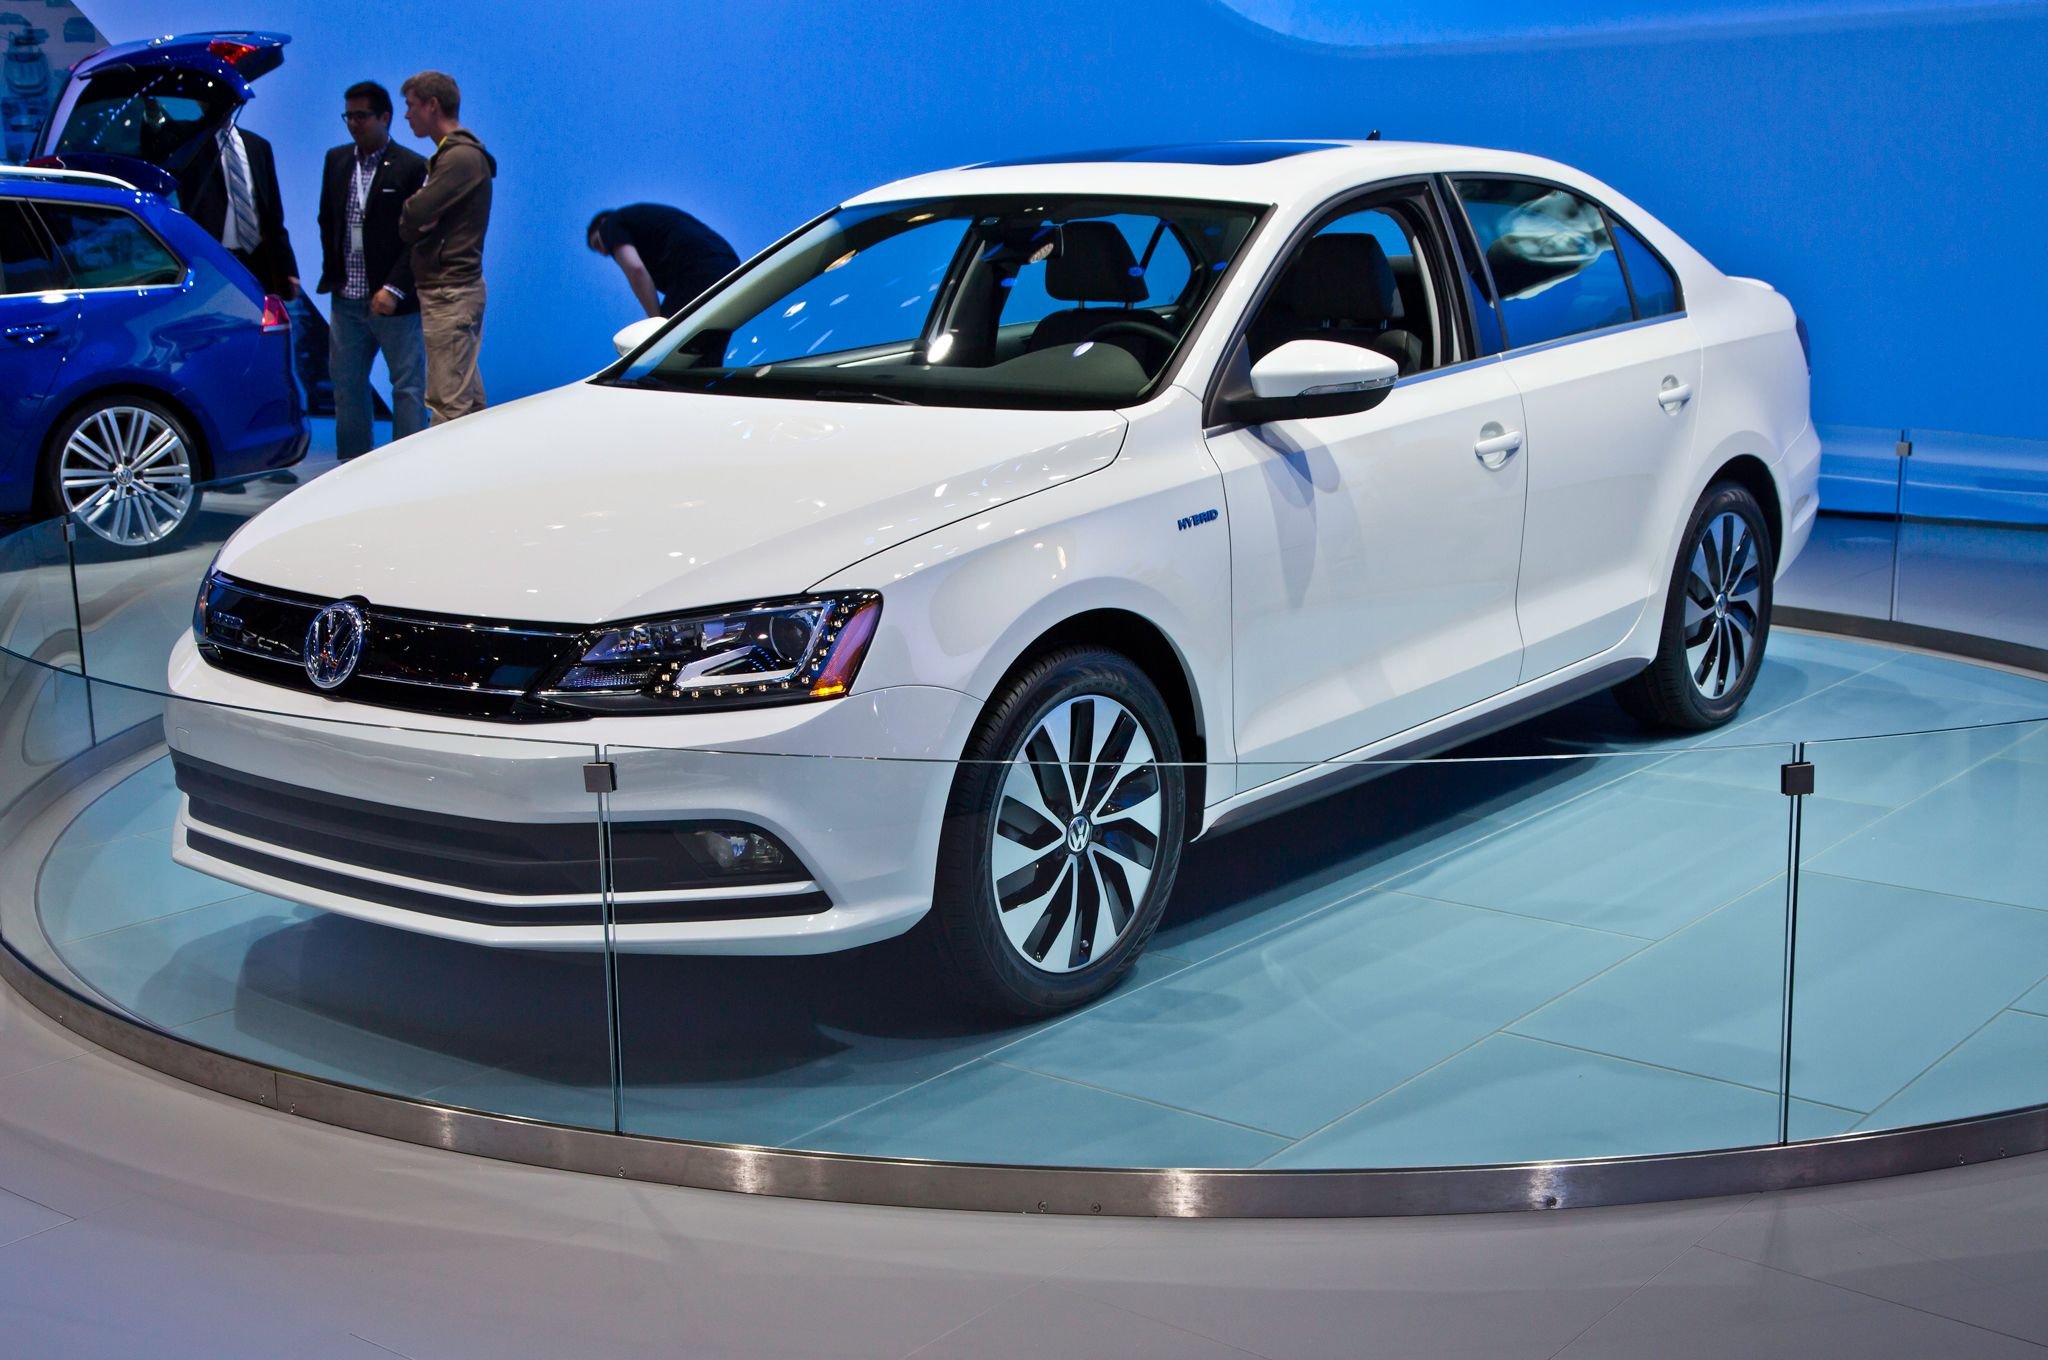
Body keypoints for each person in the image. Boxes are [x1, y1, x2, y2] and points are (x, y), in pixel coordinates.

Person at [316, 81, 429, 459]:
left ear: (385, 117)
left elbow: (418, 237)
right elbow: (326, 219)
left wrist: (395, 287)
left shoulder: (411, 166)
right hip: (346, 297)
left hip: (394, 301)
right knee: (347, 387)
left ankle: (409, 467)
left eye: (361, 116)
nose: (353, 124)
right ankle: (352, 467)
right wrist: (333, 274)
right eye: (348, 116)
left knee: (407, 388)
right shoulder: (336, 160)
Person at [396, 70, 495, 424]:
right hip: (451, 290)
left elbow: (413, 215)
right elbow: (417, 219)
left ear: (432, 105)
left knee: (448, 409)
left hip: (449, 292)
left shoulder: (459, 158)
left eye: (411, 105)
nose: (406, 115)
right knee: (466, 406)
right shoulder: (454, 156)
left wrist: (414, 215)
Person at [176, 113, 299, 297]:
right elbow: (157, 139)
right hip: (212, 261)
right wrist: (152, 114)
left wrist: (288, 267)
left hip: (258, 261)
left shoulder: (258, 145)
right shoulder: (192, 140)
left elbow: (273, 213)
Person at [587, 204, 739, 317]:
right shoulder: (646, 220)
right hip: (728, 262)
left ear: (602, 223)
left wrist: (656, 323)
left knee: (671, 339)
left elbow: (636, 270)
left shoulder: (609, 224)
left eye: (598, 244)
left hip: (695, 269)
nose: (604, 252)